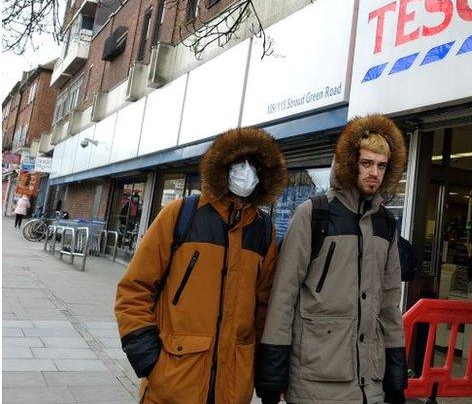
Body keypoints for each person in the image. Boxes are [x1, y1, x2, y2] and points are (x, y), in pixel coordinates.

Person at [115, 127, 288, 403]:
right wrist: (149, 359)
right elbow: (133, 290)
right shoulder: (181, 214)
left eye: (254, 166)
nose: (246, 172)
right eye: (239, 163)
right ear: (222, 166)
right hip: (174, 381)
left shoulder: (263, 230)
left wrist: (265, 371)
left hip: (233, 387)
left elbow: (264, 310)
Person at [256, 114, 408, 404]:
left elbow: (389, 304)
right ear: (351, 163)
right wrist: (272, 375)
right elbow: (284, 296)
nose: (374, 172)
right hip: (316, 379)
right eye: (366, 163)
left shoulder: (385, 224)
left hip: (369, 383)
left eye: (381, 165)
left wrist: (396, 379)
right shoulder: (313, 214)